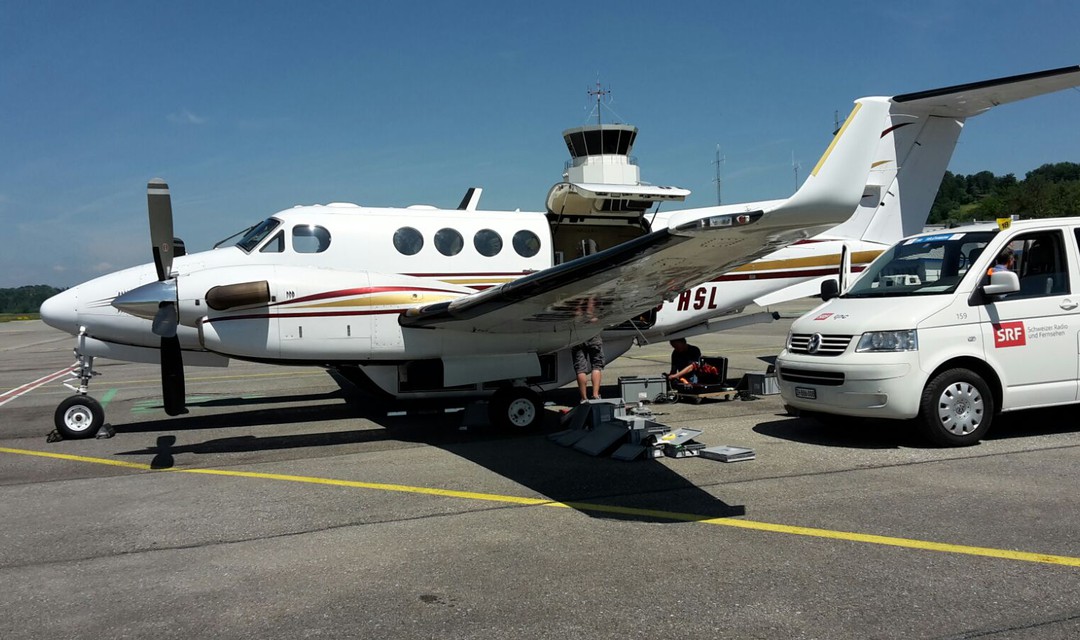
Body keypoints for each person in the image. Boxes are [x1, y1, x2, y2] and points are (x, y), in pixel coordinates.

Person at [571, 335, 604, 403]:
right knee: (596, 366)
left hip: (577, 337)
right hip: (593, 335)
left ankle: (584, 398)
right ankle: (595, 395)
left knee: (580, 369)